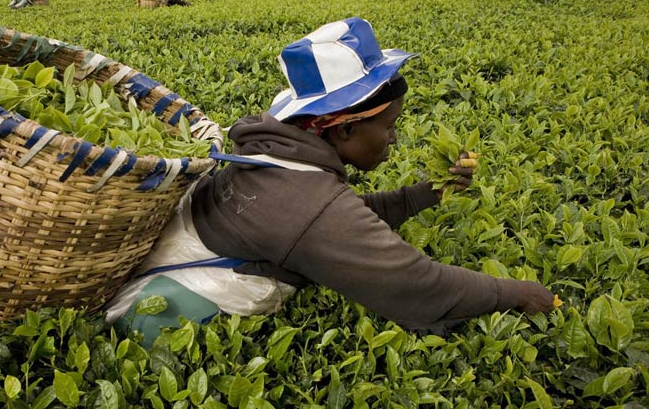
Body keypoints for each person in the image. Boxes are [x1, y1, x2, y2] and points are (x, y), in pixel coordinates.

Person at [105, 17, 554, 343]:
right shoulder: (308, 205)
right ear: (345, 130)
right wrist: (513, 292)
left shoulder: (273, 146)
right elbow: (417, 283)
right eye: (389, 125)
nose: (394, 138)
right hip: (174, 301)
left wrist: (429, 192)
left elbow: (343, 222)